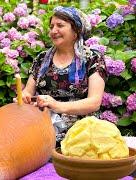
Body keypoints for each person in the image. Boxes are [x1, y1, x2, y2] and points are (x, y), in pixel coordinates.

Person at [18, 6, 107, 144]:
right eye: (51, 26)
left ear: (76, 31)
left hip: (82, 133)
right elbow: (28, 93)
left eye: (60, 25)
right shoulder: (41, 59)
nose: (54, 30)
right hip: (44, 130)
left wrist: (56, 105)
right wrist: (24, 98)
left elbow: (94, 102)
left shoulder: (92, 58)